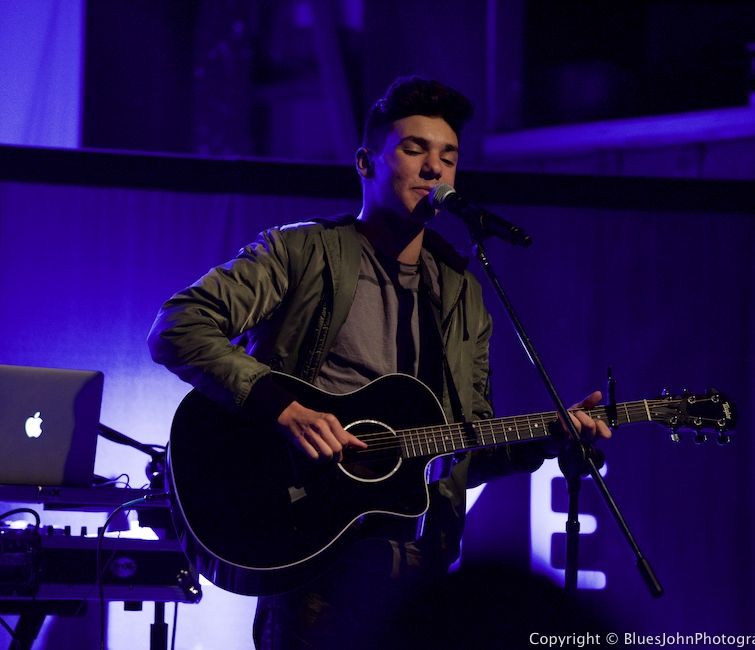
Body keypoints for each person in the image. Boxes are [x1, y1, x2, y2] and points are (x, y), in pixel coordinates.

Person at [148, 75, 611, 649]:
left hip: (421, 563)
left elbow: (463, 448)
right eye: (414, 149)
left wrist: (546, 439)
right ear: (367, 163)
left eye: (448, 156)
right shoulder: (302, 252)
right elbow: (178, 326)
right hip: (312, 547)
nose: (434, 169)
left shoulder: (464, 292)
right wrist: (283, 407)